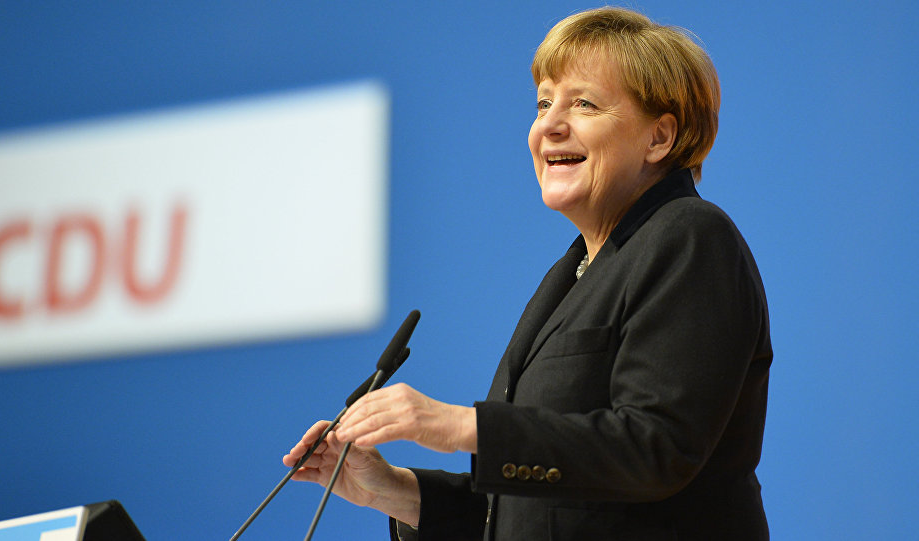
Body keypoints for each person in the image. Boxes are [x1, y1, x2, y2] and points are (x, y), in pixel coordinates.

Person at [283, 7, 772, 540]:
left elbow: (654, 449)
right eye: (543, 103)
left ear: (658, 138)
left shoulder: (690, 236)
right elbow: (542, 512)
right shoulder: (573, 273)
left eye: (583, 103)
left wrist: (459, 426)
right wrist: (394, 491)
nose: (549, 125)